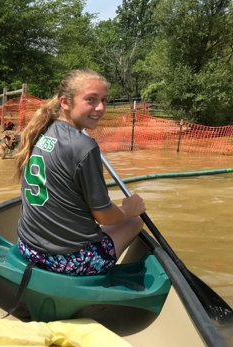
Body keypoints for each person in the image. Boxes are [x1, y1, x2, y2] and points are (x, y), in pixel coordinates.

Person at [14, 69, 146, 276]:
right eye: (91, 100)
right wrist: (130, 210)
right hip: (68, 262)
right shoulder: (84, 146)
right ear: (65, 102)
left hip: (28, 246)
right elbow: (104, 217)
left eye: (104, 100)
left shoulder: (42, 130)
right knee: (135, 221)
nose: (100, 107)